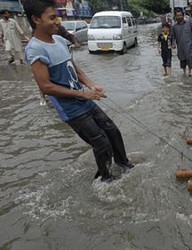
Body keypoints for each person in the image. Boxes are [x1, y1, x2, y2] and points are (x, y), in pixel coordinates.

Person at [23, 0, 134, 183]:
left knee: (113, 131)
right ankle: (106, 180)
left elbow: (74, 69)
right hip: (72, 111)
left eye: (57, 17)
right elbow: (46, 87)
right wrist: (84, 94)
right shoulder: (35, 49)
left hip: (85, 100)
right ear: (36, 19)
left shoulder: (59, 40)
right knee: (101, 143)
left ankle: (124, 164)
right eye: (52, 18)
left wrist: (91, 86)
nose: (58, 22)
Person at [171, 8, 192, 77]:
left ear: (183, 15)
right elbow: (172, 36)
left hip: (189, 45)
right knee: (182, 59)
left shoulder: (189, 23)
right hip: (180, 46)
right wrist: (173, 43)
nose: (179, 17)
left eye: (180, 15)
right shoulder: (174, 26)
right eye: (177, 16)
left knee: (189, 58)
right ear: (176, 17)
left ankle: (190, 72)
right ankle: (184, 72)